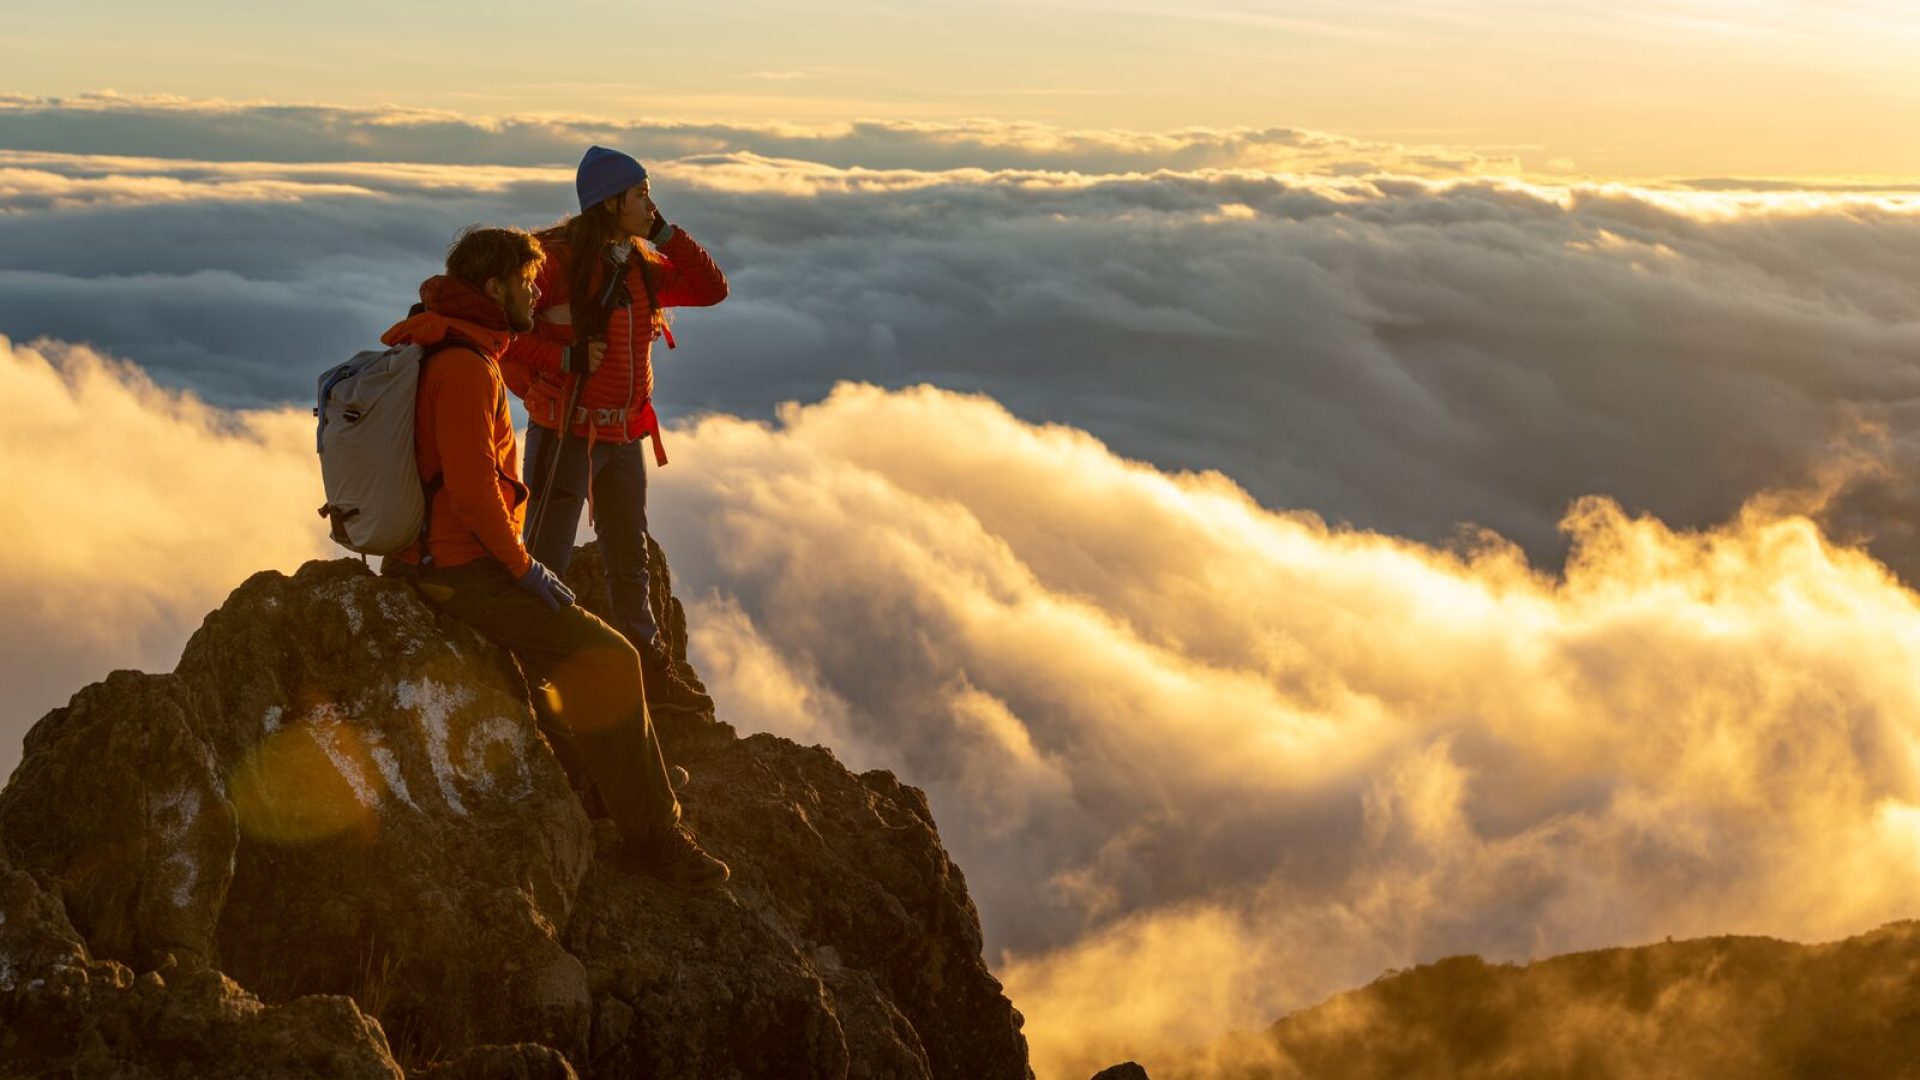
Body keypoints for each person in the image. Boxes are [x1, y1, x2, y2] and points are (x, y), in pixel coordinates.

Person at [380, 225, 728, 889]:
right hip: (463, 571)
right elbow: (475, 490)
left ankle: (620, 781)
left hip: (450, 558)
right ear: (493, 287)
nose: (536, 292)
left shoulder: (452, 341)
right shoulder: (462, 366)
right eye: (526, 281)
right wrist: (523, 569)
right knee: (612, 660)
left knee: (564, 670)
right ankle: (654, 835)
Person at [502, 145, 728, 718]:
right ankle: (538, 678)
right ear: (611, 203)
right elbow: (503, 335)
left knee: (630, 558)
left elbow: (710, 288)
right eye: (641, 193)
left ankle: (649, 671)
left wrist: (664, 233)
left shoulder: (638, 265)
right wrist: (565, 362)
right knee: (545, 557)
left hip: (623, 435)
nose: (651, 202)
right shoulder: (552, 264)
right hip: (565, 432)